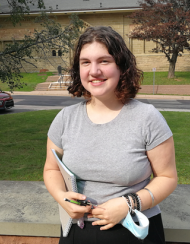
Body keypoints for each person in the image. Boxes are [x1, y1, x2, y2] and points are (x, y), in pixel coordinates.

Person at [43, 26, 177, 244]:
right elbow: (51, 168)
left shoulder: (147, 118)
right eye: (86, 62)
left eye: (104, 61)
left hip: (133, 230)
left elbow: (167, 178)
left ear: (121, 66)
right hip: (77, 231)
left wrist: (129, 203)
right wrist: (62, 196)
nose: (94, 71)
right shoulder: (65, 119)